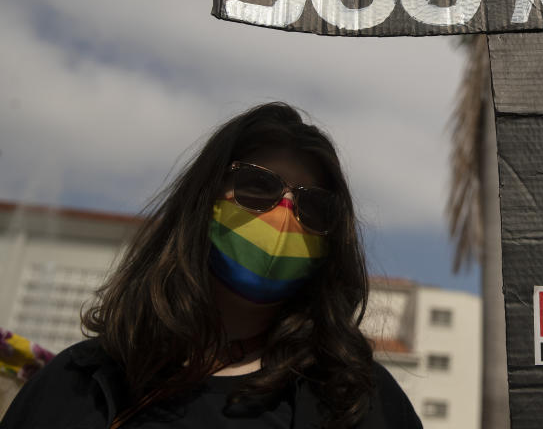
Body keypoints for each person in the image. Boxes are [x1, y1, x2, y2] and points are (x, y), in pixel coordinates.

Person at [0, 102, 422, 429]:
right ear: (204, 199)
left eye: (314, 206)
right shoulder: (78, 383)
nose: (284, 214)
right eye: (258, 186)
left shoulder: (359, 403)